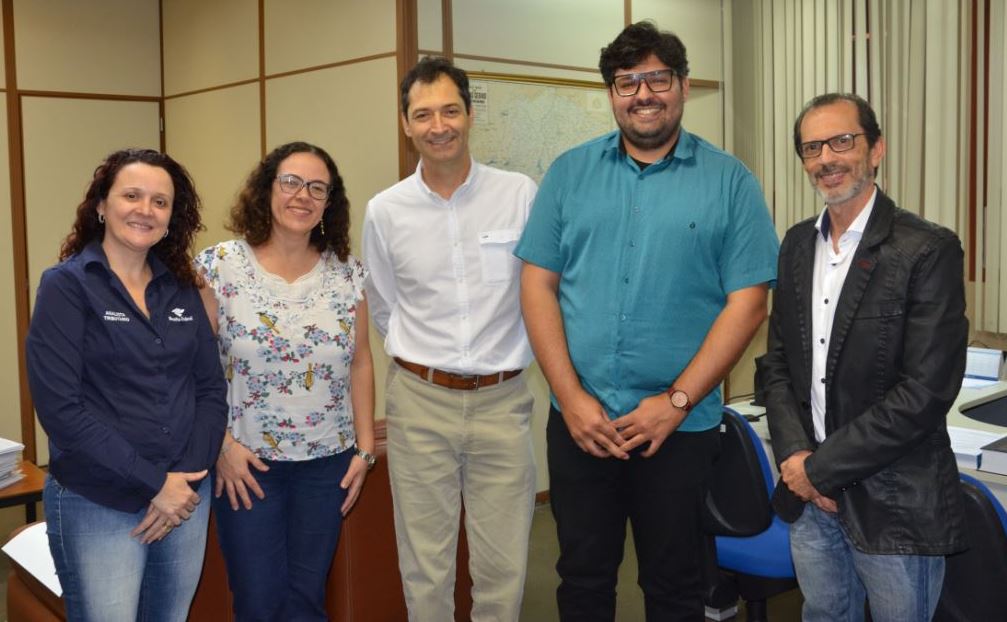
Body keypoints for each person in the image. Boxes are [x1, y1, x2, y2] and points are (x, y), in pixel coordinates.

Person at [515, 21, 779, 620]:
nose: (643, 94)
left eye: (657, 79)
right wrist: (570, 398)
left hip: (679, 429)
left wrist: (677, 401)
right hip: (582, 424)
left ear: (683, 85)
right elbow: (538, 284)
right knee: (582, 579)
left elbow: (747, 303)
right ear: (612, 93)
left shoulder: (730, 182)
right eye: (626, 82)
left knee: (676, 586)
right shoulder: (569, 174)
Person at [760, 93, 968, 621]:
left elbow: (925, 391)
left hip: (893, 499)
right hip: (809, 496)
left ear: (876, 149)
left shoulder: (926, 249)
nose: (826, 158)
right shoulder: (796, 246)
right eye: (812, 148)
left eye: (842, 141)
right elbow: (778, 365)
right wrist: (796, 459)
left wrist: (820, 471)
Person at [362, 56, 538, 622]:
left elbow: (540, 293)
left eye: (450, 111)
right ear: (405, 124)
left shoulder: (519, 195)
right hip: (420, 402)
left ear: (469, 115)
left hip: (503, 401)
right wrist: (431, 362)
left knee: (503, 566)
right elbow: (385, 306)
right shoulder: (385, 211)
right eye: (423, 114)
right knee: (425, 566)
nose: (438, 126)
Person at [25, 148, 227, 621]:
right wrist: (155, 484)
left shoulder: (181, 287)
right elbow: (61, 410)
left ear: (172, 217)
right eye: (131, 196)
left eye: (160, 202)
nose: (145, 210)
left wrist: (183, 480)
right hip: (100, 501)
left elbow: (210, 390)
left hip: (185, 497)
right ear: (101, 204)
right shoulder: (67, 286)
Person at [196, 141, 375, 621]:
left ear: (329, 202)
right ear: (267, 188)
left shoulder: (347, 274)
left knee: (306, 598)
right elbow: (193, 368)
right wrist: (221, 445)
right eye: (291, 182)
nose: (303, 195)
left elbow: (360, 361)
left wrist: (364, 449)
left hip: (327, 463)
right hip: (247, 462)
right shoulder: (219, 266)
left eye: (318, 188)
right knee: (258, 601)